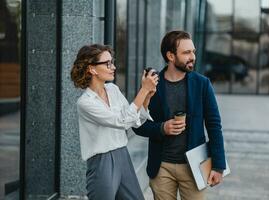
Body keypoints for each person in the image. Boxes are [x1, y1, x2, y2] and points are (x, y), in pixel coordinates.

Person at [133, 30, 226, 200]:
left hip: (194, 166)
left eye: (193, 52)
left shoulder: (202, 84)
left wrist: (218, 166)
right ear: (170, 55)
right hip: (161, 167)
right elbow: (137, 125)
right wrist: (162, 128)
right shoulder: (152, 84)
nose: (192, 57)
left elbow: (214, 125)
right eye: (186, 52)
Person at [70, 44, 158, 200]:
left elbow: (134, 121)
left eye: (112, 62)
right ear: (92, 69)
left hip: (122, 155)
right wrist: (143, 90)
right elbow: (122, 121)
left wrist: (147, 97)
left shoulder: (113, 89)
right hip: (101, 162)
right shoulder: (85, 103)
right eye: (107, 63)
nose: (114, 67)